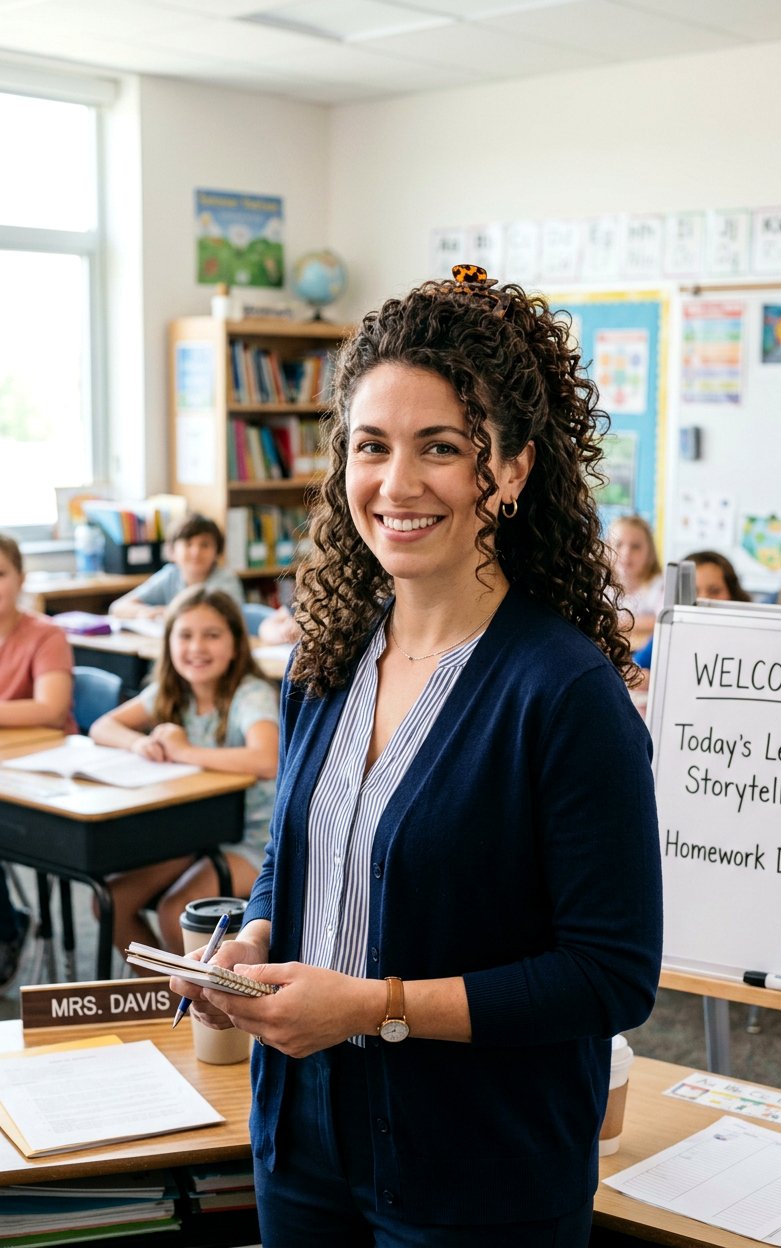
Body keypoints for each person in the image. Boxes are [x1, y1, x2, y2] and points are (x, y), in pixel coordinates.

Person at [171, 268, 663, 1247]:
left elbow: (607, 976)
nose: (395, 485)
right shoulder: (327, 656)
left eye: (439, 447)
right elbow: (294, 860)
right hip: (300, 1144)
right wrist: (256, 938)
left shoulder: (563, 693)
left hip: (479, 1176)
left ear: (512, 469)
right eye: (371, 447)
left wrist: (371, 1008)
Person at [90, 586, 279, 959]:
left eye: (212, 635)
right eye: (185, 635)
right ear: (169, 642)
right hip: (188, 833)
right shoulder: (171, 691)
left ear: (236, 643)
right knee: (109, 902)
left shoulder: (249, 693)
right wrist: (137, 743)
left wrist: (184, 751)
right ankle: (163, 1000)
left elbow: (267, 759)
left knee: (176, 912)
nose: (197, 648)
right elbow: (102, 726)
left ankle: (206, 1010)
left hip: (252, 838)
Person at [0, 533, 76, 988]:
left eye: (0, 574)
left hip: (47, 771)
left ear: (21, 579)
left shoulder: (45, 635)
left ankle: (7, 929)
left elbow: (50, 708)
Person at [630, 549, 751, 689]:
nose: (703, 599)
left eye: (715, 591)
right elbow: (636, 670)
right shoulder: (670, 633)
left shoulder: (745, 638)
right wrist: (648, 679)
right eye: (693, 592)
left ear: (733, 593)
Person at [109, 512, 244, 621]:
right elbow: (118, 607)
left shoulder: (226, 580)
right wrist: (145, 612)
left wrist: (171, 613)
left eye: (205, 545)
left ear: (217, 552)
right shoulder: (170, 575)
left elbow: (223, 619)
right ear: (172, 551)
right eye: (188, 544)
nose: (196, 552)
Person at [607, 514, 664, 643]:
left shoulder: (659, 585)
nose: (626, 552)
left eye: (636, 546)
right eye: (618, 544)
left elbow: (663, 621)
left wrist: (615, 623)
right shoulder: (601, 584)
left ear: (650, 553)